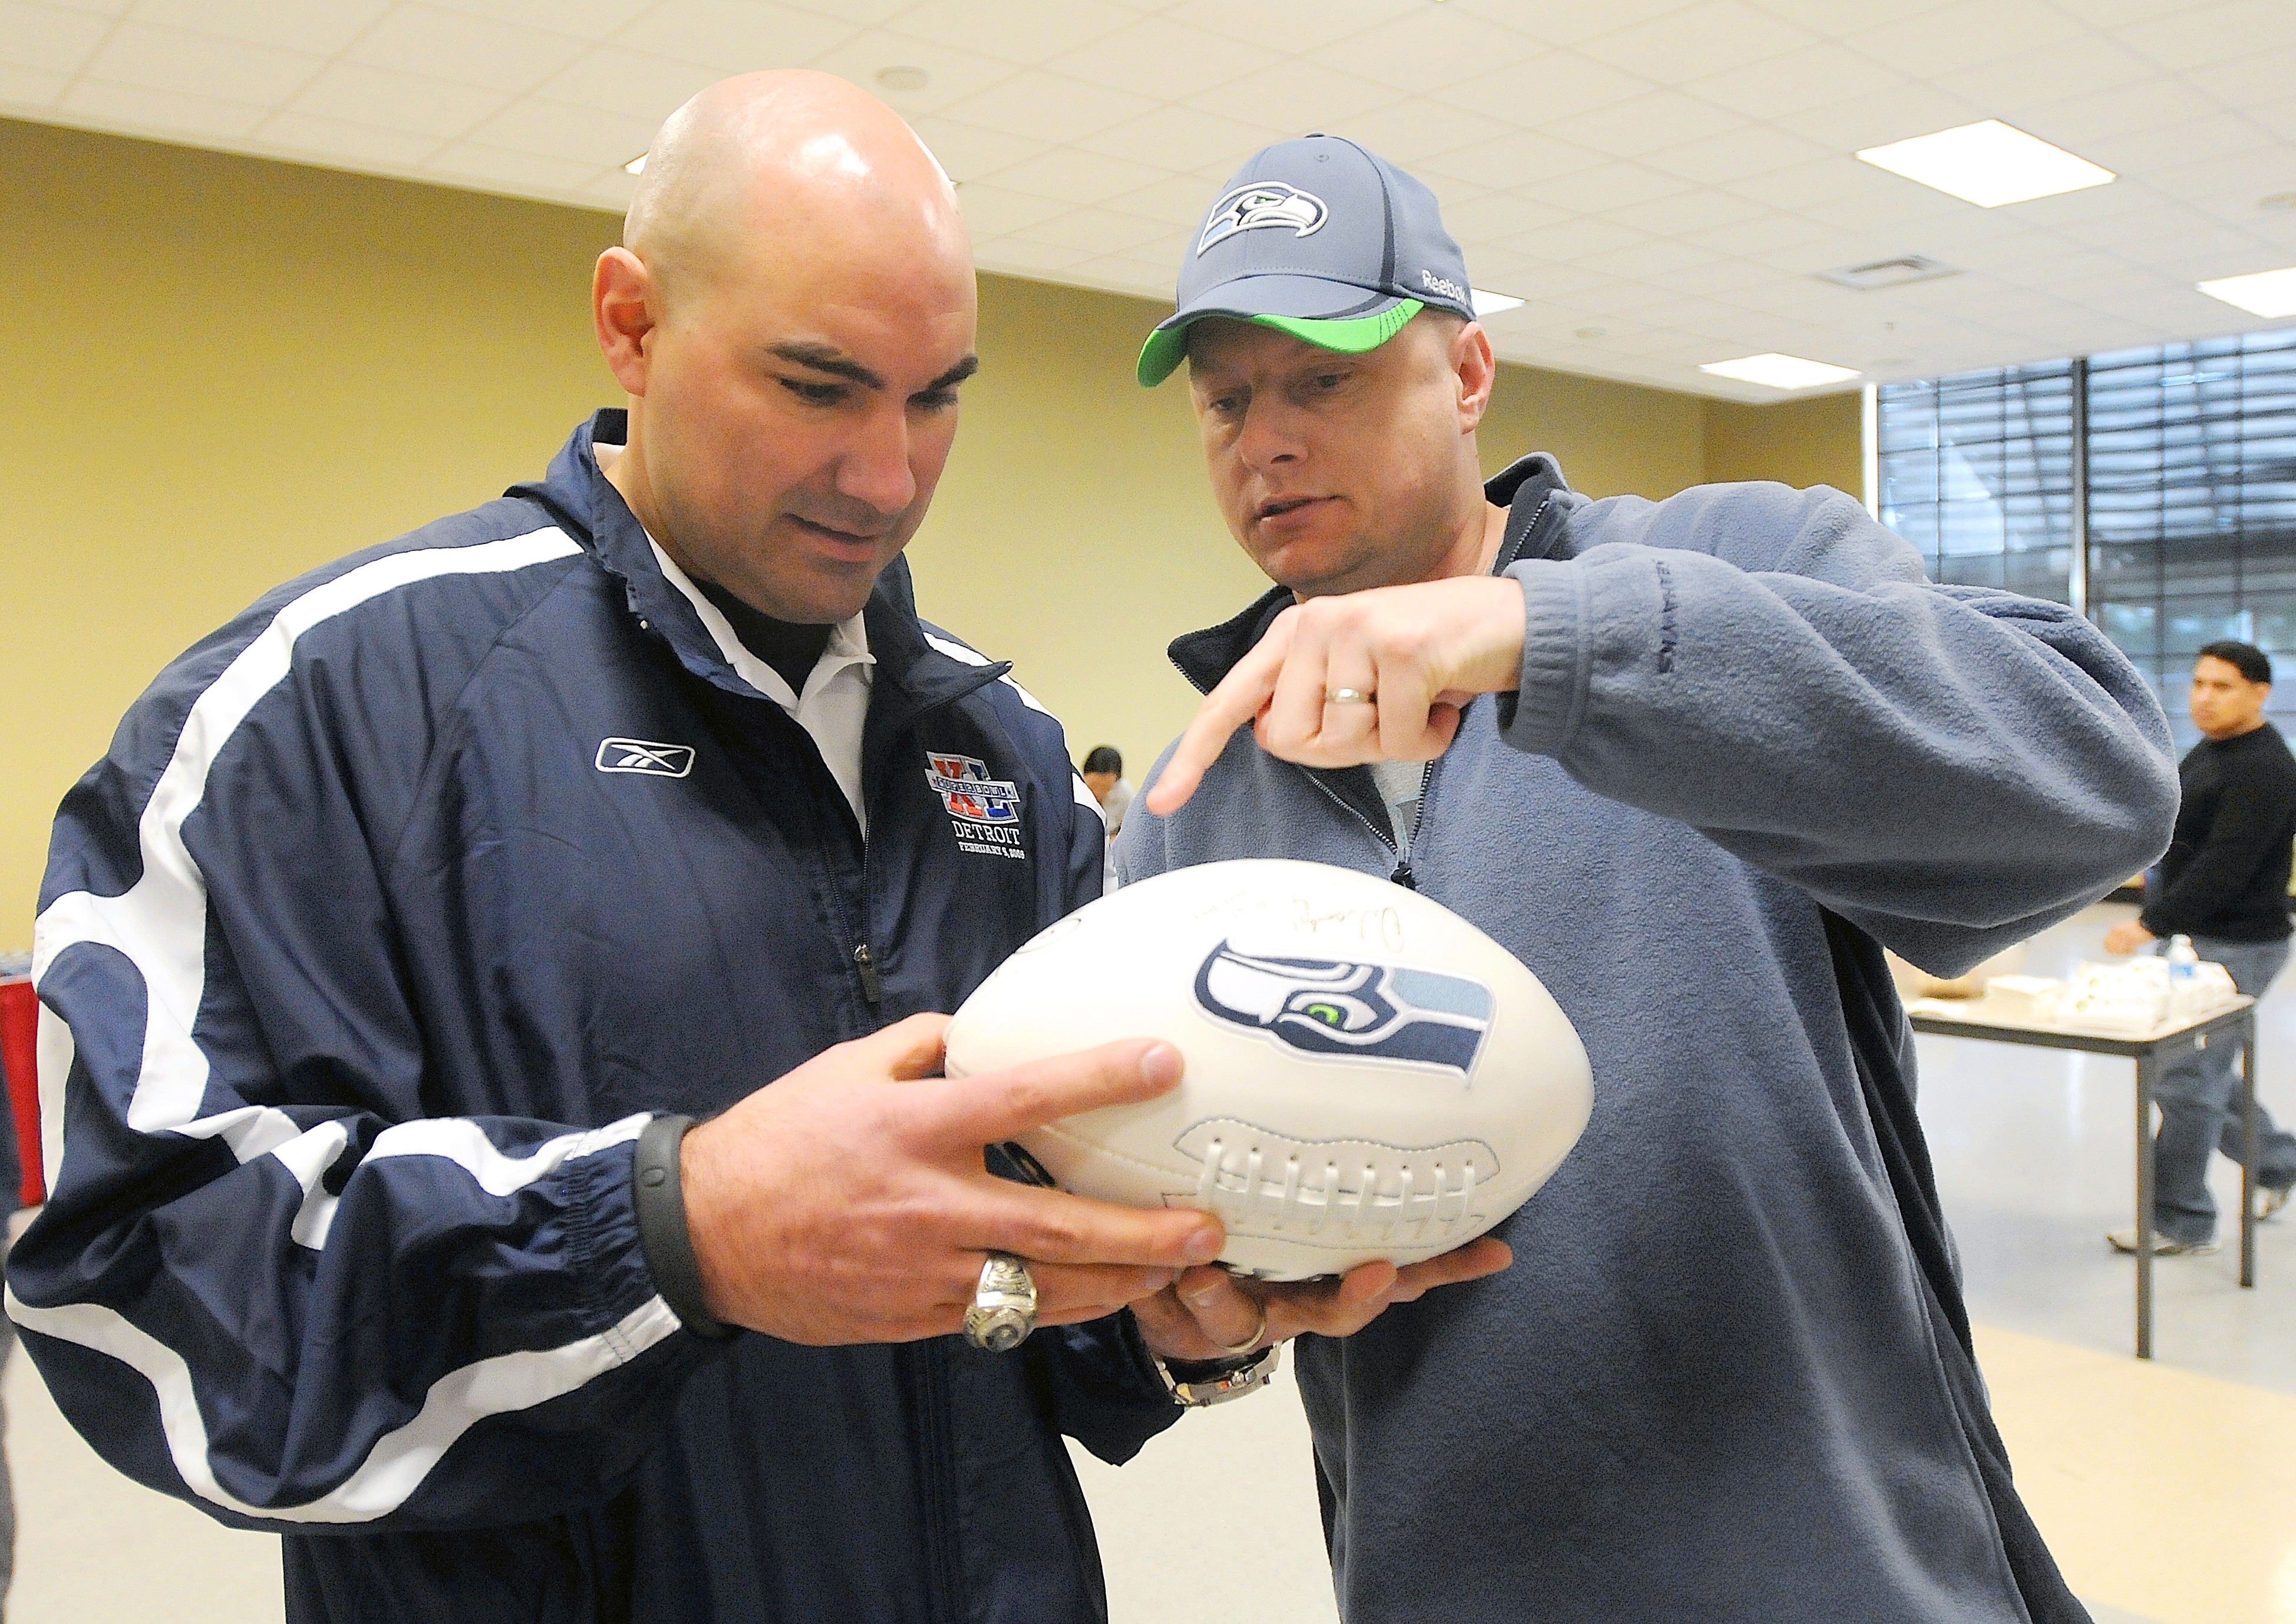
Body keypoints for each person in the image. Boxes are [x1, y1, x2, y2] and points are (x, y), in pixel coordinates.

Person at [6, 82, 1496, 1623]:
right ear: (632, 325)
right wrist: (672, 1231)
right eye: (818, 385)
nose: (888, 474)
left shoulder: (1009, 760)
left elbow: (1020, 1293)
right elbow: (145, 1291)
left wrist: (1180, 1311)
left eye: (936, 397)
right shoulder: (322, 714)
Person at [1116, 135, 2179, 1624]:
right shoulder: (1199, 793)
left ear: (1468, 371)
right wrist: (1204, 1318)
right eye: (1224, 399)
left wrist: (1548, 645)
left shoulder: (1739, 558)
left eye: (1323, 378)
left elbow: (2096, 780)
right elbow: (1184, 1251)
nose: (1263, 438)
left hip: (1850, 1567)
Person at [2102, 639, 2296, 1252]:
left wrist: (2148, 924)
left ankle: (2179, 1219)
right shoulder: (2215, 751)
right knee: (2196, 1070)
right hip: (2195, 937)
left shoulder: (2263, 766)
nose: (2204, 698)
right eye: (2199, 684)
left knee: (2184, 1078)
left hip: (2236, 943)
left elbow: (2225, 865)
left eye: (2222, 686)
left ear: (2259, 693)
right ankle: (2276, 1161)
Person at [1080, 745, 1133, 889]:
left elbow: (1126, 830)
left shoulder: (1123, 793)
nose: (1099, 794)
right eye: (1094, 787)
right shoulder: (1076, 789)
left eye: (1106, 789)